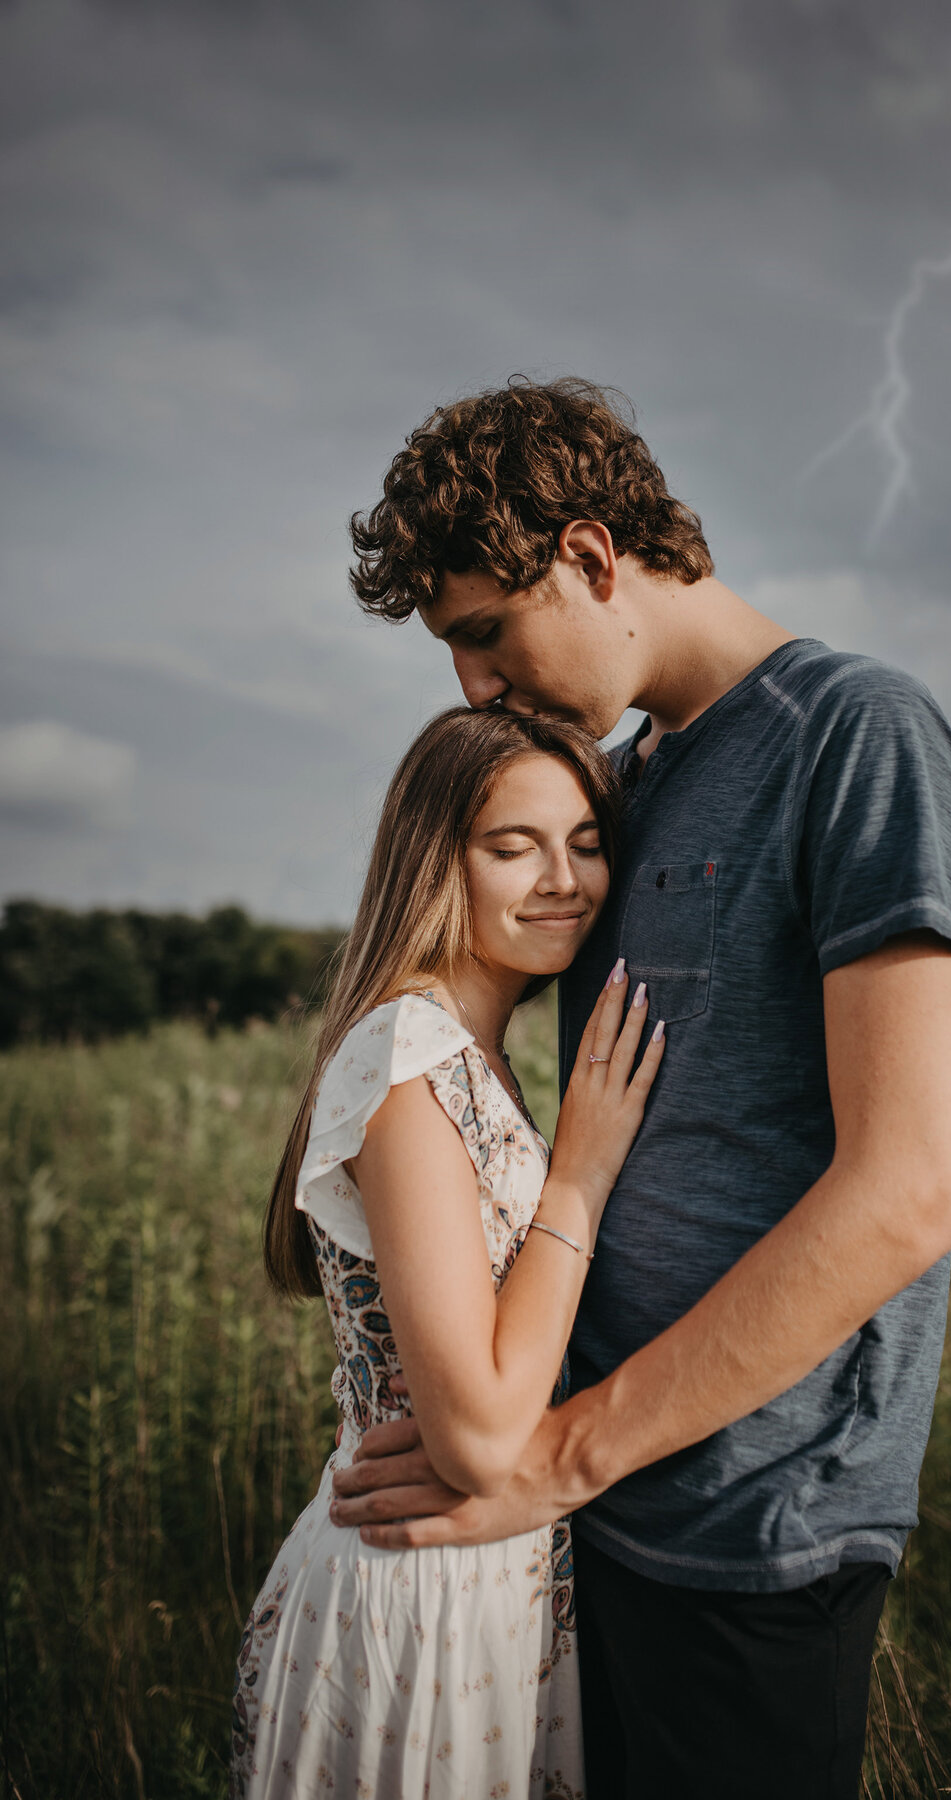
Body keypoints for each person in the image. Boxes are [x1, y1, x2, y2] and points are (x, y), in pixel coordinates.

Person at [331, 377, 951, 1799]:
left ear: (586, 554)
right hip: (581, 1521)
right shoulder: (614, 793)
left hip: (754, 1528)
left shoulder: (857, 737)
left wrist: (559, 1454)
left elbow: (909, 1189)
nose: (475, 688)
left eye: (484, 633)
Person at [230, 705, 665, 1799]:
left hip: (484, 1582)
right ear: (437, 861)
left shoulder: (476, 1059)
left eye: (585, 843)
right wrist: (581, 1173)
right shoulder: (409, 1053)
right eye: (512, 846)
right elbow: (474, 1435)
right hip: (419, 1593)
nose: (562, 879)